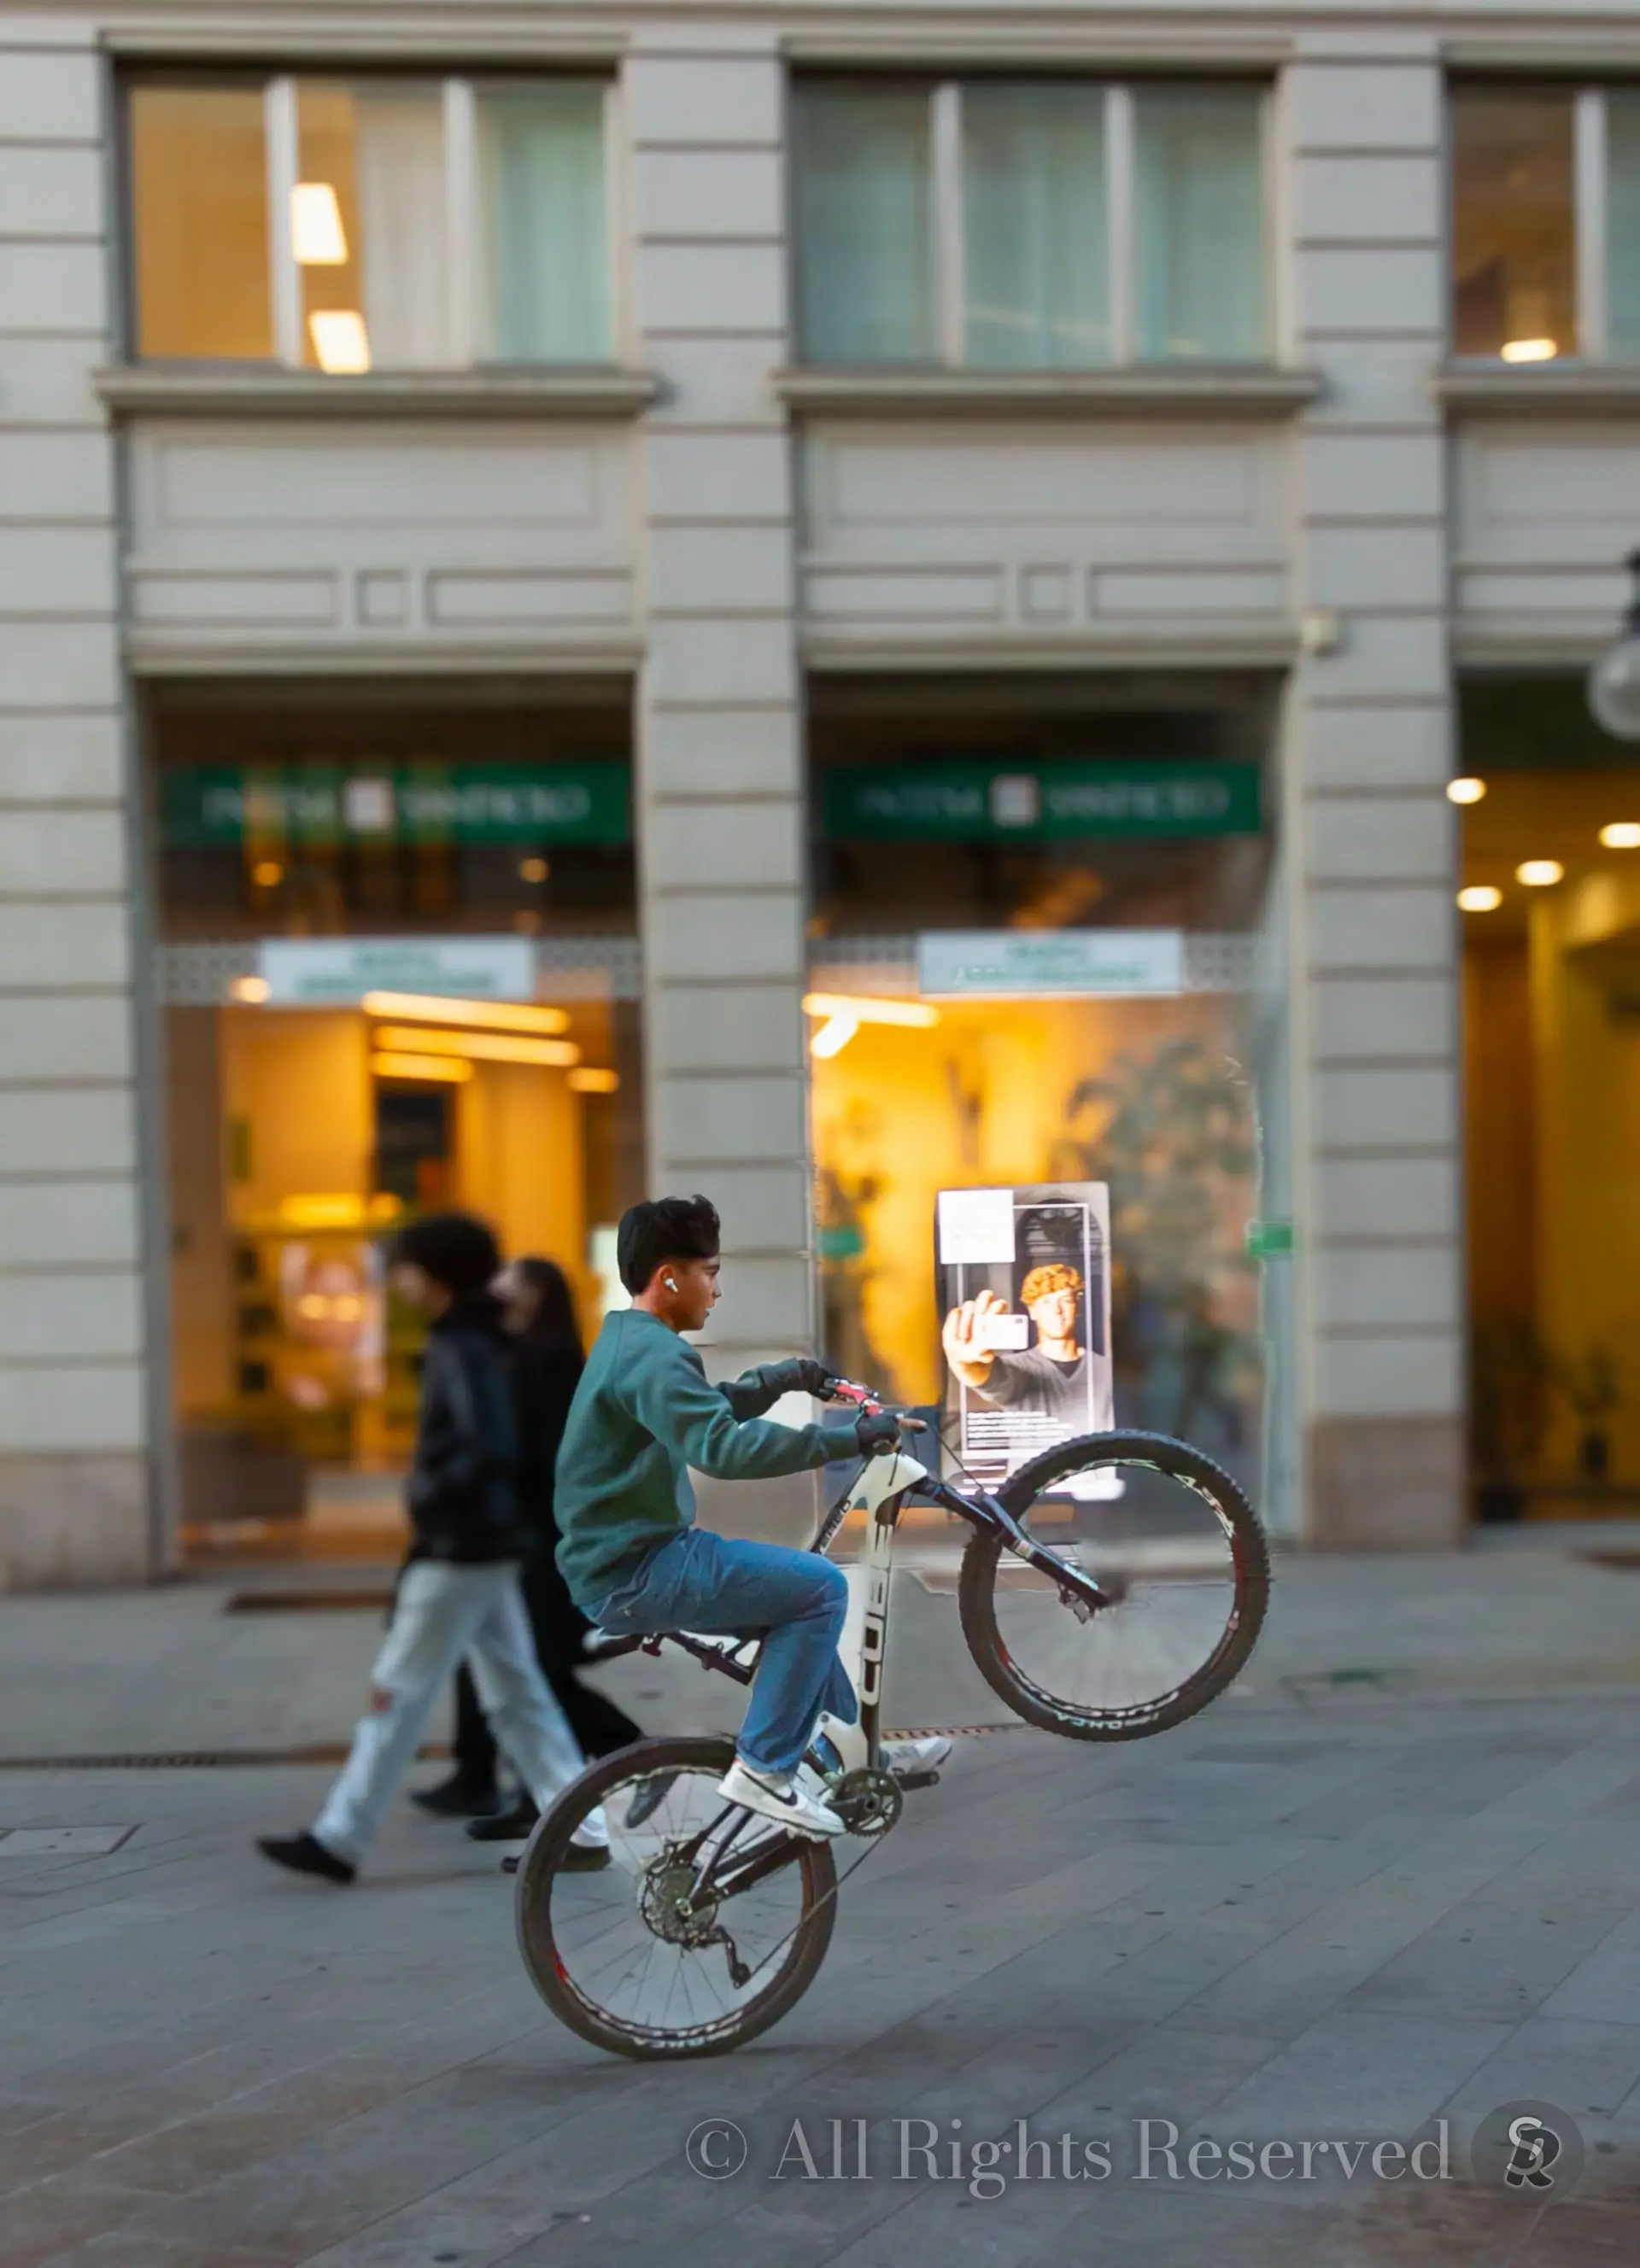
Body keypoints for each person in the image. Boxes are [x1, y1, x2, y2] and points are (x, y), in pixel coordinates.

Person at [554, 1194, 950, 1840]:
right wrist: (848, 1439)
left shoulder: (629, 1340)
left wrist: (781, 1379)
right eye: (710, 1272)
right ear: (669, 1277)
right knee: (820, 1589)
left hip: (626, 1559)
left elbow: (698, 1411)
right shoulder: (654, 1355)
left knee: (794, 1599)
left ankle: (855, 1759)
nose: (716, 1290)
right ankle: (765, 1769)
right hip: (639, 1568)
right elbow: (722, 1448)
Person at [256, 1213, 604, 1885]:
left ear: (434, 1273)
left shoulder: (459, 1342)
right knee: (518, 1694)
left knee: (397, 1690)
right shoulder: (484, 1335)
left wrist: (431, 1496)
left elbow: (487, 1443)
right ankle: (583, 1828)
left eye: (409, 1264)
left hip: (459, 1545)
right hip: (487, 1543)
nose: (401, 1276)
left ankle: (339, 1836)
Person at [416, 1257, 644, 1841]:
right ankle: (536, 1794)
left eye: (510, 1279)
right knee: (519, 1671)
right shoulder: (523, 1355)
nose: (496, 1286)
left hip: (542, 1541)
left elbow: (541, 1459)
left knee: (537, 1672)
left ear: (536, 1292)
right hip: (525, 1536)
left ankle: (631, 1750)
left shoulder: (549, 1362)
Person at [941, 1266, 1092, 1423]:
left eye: (1066, 1300)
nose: (1057, 1310)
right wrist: (965, 1364)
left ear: (1076, 1308)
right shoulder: (1017, 1368)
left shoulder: (1104, 1366)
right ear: (1032, 1311)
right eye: (1046, 1302)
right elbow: (988, 1379)